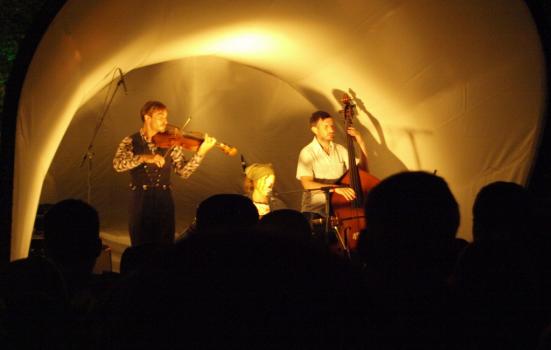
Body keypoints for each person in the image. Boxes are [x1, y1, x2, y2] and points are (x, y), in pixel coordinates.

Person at [113, 100, 216, 246]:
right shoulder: (130, 141)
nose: (165, 121)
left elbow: (183, 172)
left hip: (164, 199)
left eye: (166, 117)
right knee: (140, 244)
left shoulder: (172, 141)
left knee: (165, 245)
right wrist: (144, 158)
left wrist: (201, 153)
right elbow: (117, 165)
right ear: (147, 118)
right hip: (140, 199)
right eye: (160, 116)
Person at [296, 110, 369, 215]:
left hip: (338, 208)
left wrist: (361, 142)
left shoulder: (340, 149)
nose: (331, 130)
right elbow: (307, 184)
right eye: (326, 127)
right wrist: (335, 189)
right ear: (315, 130)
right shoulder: (307, 152)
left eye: (332, 126)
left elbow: (362, 172)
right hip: (316, 210)